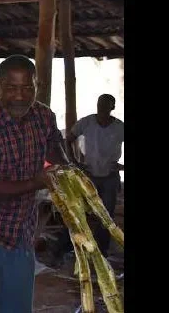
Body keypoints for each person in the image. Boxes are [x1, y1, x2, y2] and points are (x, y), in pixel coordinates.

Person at [0, 55, 70, 313]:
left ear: (36, 87)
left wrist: (66, 167)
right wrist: (39, 181)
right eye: (11, 88)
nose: (20, 96)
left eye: (27, 88)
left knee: (18, 308)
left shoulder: (43, 116)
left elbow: (55, 146)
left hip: (20, 231)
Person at [67, 93, 124, 257]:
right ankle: (79, 248)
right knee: (81, 211)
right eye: (100, 104)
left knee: (106, 215)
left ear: (112, 108)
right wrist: (75, 161)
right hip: (89, 175)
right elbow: (69, 138)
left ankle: (102, 251)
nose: (102, 108)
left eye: (106, 105)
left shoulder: (119, 127)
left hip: (109, 177)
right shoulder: (87, 122)